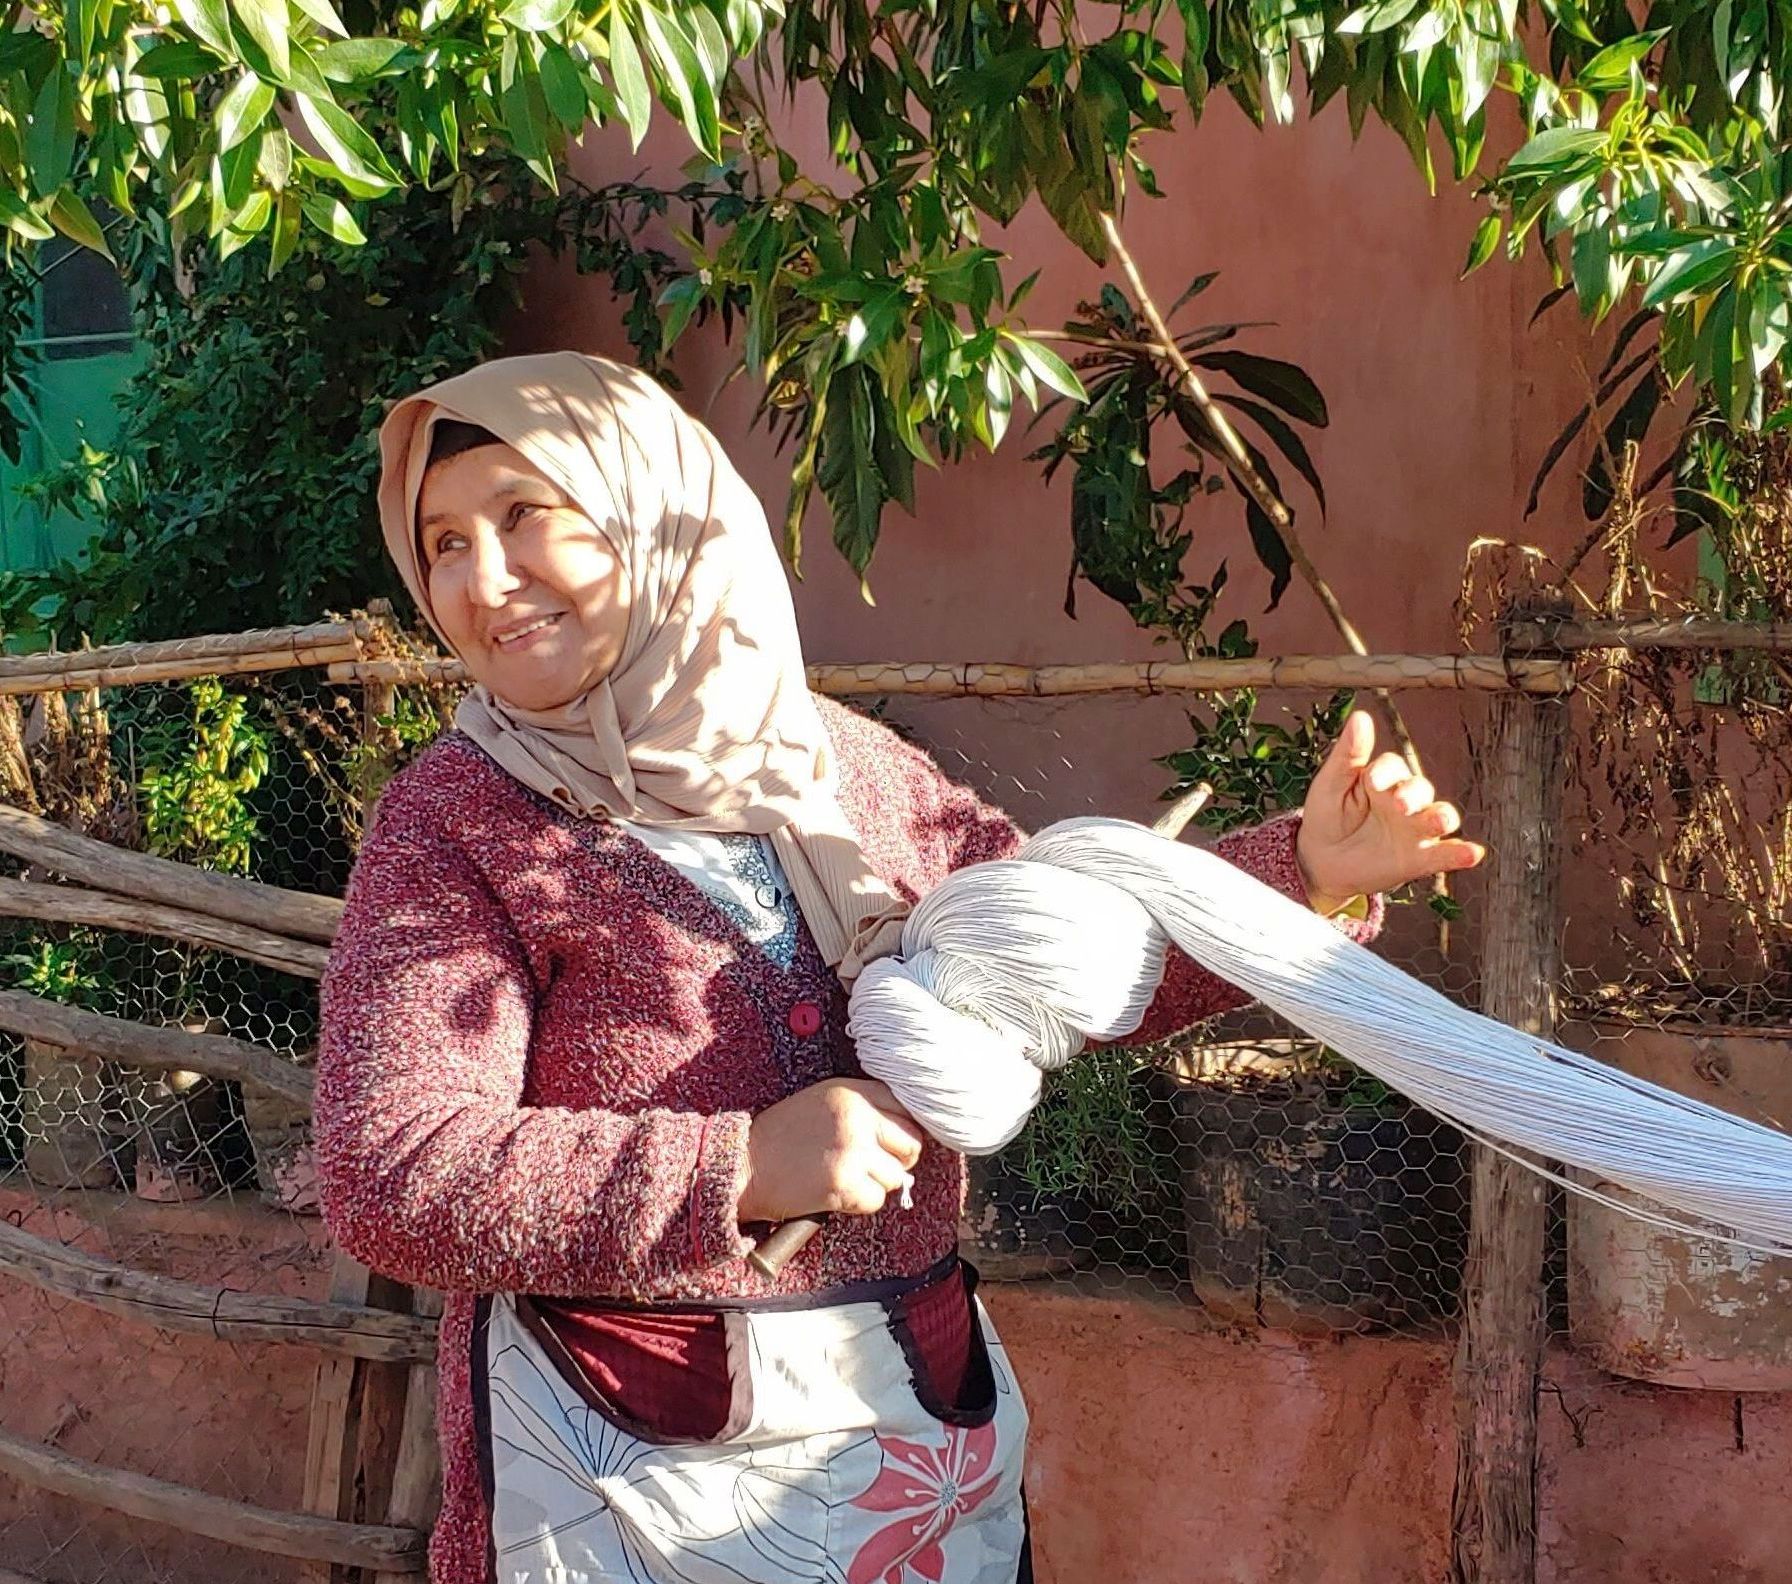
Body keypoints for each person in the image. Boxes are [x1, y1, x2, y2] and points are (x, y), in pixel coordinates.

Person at [315, 352, 1483, 1584]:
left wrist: (1305, 872)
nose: (481, 583)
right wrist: (740, 1168)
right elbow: (390, 1170)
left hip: (904, 1446)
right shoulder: (454, 824)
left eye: (521, 518)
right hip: (625, 1469)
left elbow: (1055, 963)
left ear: (655, 515)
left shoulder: (844, 768)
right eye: (441, 544)